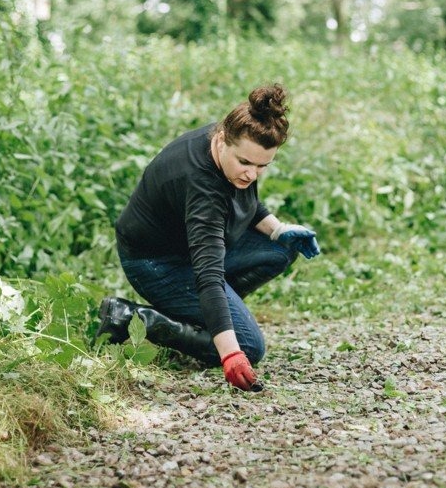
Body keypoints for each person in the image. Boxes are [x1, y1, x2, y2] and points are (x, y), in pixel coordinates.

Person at [96, 84, 320, 392]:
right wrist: (230, 353)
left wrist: (278, 229)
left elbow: (244, 198)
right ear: (222, 141)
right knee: (250, 347)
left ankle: (206, 318)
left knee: (279, 250)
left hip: (189, 248)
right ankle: (134, 318)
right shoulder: (203, 189)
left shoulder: (228, 142)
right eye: (245, 163)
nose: (252, 174)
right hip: (156, 263)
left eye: (262, 166)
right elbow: (208, 274)